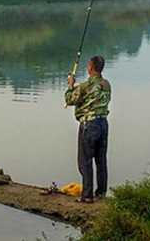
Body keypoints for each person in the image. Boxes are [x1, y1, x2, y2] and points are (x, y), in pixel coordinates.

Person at [65, 55, 111, 203]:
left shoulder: (85, 86)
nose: (87, 67)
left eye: (88, 66)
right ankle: (101, 193)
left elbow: (70, 99)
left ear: (91, 67)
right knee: (101, 160)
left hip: (89, 126)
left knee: (85, 161)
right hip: (103, 124)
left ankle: (87, 196)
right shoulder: (107, 84)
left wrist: (71, 85)